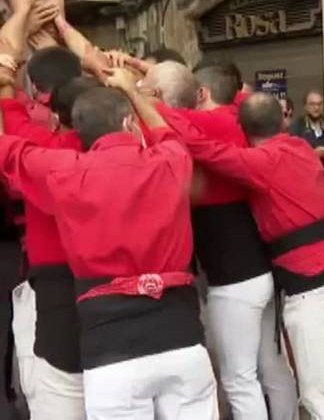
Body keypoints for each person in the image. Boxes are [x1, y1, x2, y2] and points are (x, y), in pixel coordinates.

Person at [0, 72, 219, 418]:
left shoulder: (63, 172)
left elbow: (9, 151)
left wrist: (4, 85)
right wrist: (132, 89)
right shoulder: (170, 161)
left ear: (73, 129)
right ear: (128, 121)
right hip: (181, 341)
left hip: (112, 355)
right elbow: (167, 132)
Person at [163, 90, 324, 420]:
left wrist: (150, 102)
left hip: (309, 290)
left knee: (319, 393)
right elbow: (243, 100)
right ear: (282, 119)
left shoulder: (260, 163)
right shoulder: (300, 147)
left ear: (244, 130)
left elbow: (203, 148)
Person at [155, 63, 298, 420]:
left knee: (238, 378)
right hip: (259, 270)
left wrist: (139, 93)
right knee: (270, 365)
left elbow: (173, 121)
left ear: (202, 94)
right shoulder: (238, 118)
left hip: (233, 282)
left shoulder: (209, 122)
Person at [1, 54, 91, 420]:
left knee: (54, 395)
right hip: (118, 292)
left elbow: (8, 123)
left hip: (52, 289)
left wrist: (7, 75)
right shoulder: (144, 153)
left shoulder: (41, 153)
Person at [288, 90, 324, 214]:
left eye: (319, 104)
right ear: (305, 106)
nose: (316, 108)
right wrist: (312, 154)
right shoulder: (298, 126)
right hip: (306, 182)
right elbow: (291, 154)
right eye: (312, 104)